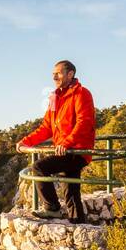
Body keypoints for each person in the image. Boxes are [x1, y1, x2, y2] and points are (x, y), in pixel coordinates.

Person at [17, 60, 96, 222]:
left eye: (58, 73)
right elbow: (47, 127)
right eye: (53, 73)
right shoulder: (54, 97)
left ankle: (52, 208)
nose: (54, 76)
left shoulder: (82, 93)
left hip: (77, 151)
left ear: (70, 74)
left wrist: (66, 143)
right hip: (65, 151)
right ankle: (79, 224)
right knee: (71, 191)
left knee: (39, 167)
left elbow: (84, 122)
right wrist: (26, 141)